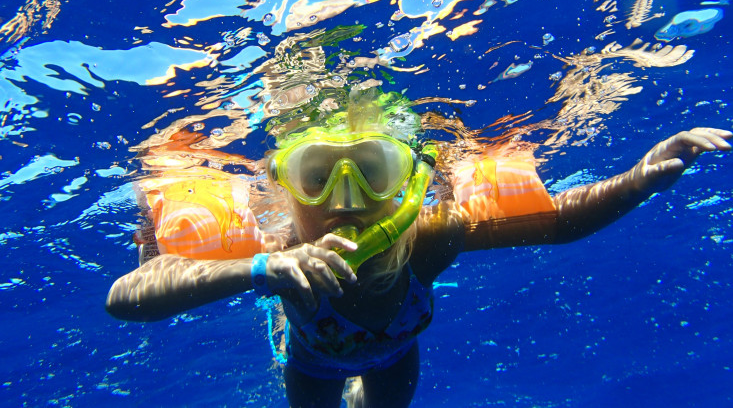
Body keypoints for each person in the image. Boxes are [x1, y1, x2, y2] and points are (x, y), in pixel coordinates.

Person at [106, 90, 731, 408]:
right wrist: (261, 270)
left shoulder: (430, 239)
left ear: (407, 183)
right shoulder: (279, 251)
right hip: (311, 366)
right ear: (285, 191)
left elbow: (554, 222)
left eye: (372, 172)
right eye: (317, 174)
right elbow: (126, 298)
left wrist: (638, 179)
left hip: (396, 358)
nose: (346, 197)